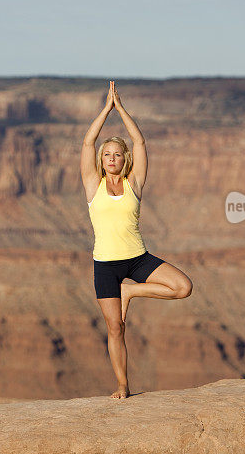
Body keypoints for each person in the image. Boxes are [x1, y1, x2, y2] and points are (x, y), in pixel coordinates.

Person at [80, 80, 193, 399]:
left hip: (137, 258)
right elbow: (87, 144)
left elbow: (140, 142)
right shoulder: (93, 186)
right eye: (107, 154)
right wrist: (105, 110)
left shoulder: (135, 184)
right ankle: (122, 385)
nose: (112, 158)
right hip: (105, 266)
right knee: (116, 328)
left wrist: (122, 109)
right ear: (101, 160)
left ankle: (131, 291)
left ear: (124, 159)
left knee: (183, 287)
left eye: (117, 154)